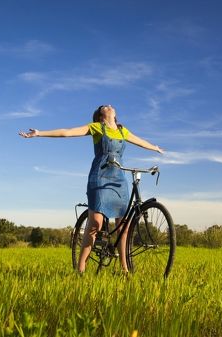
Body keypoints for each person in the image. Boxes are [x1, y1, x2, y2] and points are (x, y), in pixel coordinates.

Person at [19, 104, 164, 273]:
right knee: (96, 222)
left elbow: (139, 141)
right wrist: (39, 133)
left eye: (110, 105)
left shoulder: (122, 130)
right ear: (101, 115)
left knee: (123, 227)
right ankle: (80, 269)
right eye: (105, 106)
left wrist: (155, 147)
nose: (109, 106)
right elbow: (67, 132)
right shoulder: (96, 127)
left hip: (119, 180)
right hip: (100, 178)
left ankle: (125, 270)